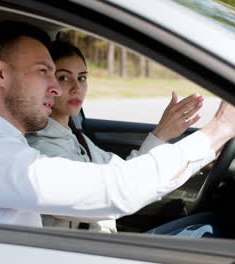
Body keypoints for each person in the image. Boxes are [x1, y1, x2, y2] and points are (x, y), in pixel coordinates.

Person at [0, 21, 235, 230]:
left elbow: (114, 180)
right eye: (44, 71)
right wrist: (218, 129)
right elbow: (114, 189)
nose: (56, 88)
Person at [26, 38, 204, 233]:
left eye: (82, 77)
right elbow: (111, 198)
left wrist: (163, 134)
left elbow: (127, 175)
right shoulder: (41, 149)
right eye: (64, 77)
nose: (77, 88)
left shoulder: (76, 138)